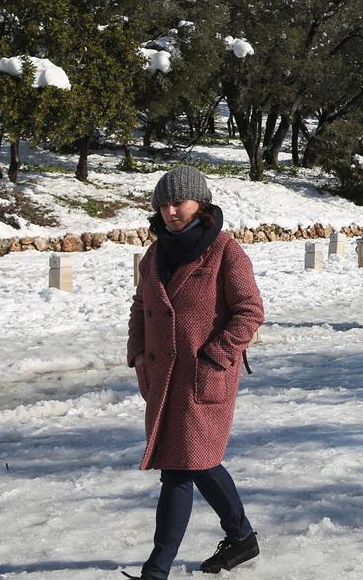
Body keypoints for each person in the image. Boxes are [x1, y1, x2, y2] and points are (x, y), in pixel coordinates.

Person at [126, 166, 265, 579]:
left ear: (199, 203)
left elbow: (250, 312)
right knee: (198, 462)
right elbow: (140, 307)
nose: (170, 211)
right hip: (163, 381)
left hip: (204, 379)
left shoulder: (225, 251)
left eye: (178, 203)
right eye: (163, 205)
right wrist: (137, 352)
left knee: (180, 469)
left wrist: (216, 356)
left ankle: (157, 570)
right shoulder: (155, 254)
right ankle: (241, 537)